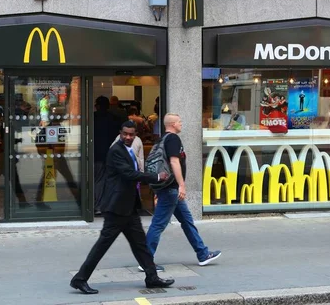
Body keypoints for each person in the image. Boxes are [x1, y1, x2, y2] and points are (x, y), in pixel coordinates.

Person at [70, 121, 174, 295]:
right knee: (102, 246)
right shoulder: (116, 151)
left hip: (128, 207)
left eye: (131, 134)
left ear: (135, 135)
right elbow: (129, 174)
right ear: (120, 133)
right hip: (116, 208)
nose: (128, 137)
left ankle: (152, 278)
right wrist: (156, 176)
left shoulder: (128, 149)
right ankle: (79, 279)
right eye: (125, 134)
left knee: (140, 244)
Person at [142, 113, 221, 272]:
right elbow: (174, 161)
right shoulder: (173, 139)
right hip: (171, 189)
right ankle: (146, 260)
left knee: (187, 221)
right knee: (158, 224)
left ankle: (202, 253)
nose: (181, 124)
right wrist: (182, 185)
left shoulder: (161, 139)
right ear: (172, 124)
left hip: (168, 189)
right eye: (179, 121)